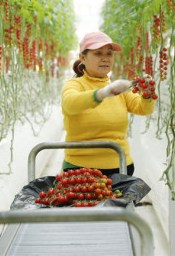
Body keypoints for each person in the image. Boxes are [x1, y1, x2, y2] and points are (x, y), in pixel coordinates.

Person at [61, 31, 156, 176]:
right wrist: (102, 94)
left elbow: (143, 109)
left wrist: (147, 93)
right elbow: (70, 103)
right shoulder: (74, 85)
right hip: (80, 169)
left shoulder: (118, 88)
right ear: (82, 58)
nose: (105, 58)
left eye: (109, 54)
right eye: (98, 53)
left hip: (121, 167)